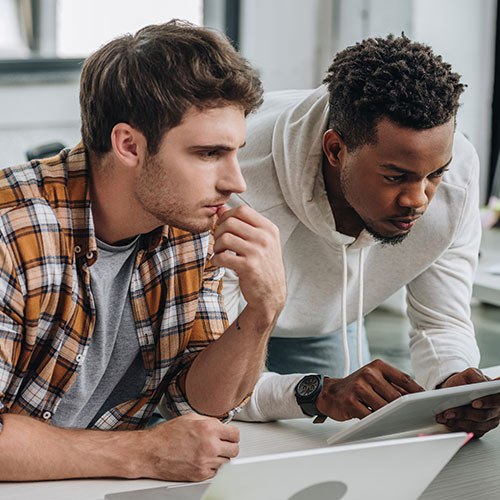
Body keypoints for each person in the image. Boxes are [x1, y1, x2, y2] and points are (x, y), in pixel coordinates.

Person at [0, 20, 287, 482]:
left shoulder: (187, 224)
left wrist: (261, 311)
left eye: (235, 152)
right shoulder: (12, 234)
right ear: (129, 145)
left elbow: (199, 401)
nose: (237, 182)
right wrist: (143, 452)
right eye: (209, 153)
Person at [224, 34, 500, 437]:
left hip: (327, 322)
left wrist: (453, 383)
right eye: (395, 177)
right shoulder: (236, 186)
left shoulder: (455, 178)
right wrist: (318, 392)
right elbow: (203, 383)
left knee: (345, 442)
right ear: (335, 150)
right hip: (231, 325)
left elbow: (441, 323)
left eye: (435, 173)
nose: (418, 199)